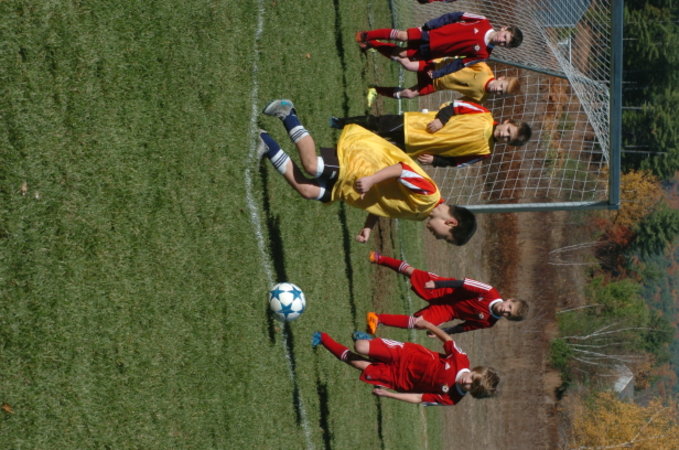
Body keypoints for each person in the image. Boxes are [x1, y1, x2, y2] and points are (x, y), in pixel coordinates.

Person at [258, 99, 477, 245]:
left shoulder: (421, 214)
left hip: (353, 187)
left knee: (307, 190)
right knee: (311, 166)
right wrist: (372, 179)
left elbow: (386, 203)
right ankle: (287, 113)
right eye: (445, 238)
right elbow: (403, 169)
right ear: (451, 223)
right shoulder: (429, 195)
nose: (438, 238)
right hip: (362, 166)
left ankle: (266, 143)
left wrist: (368, 226)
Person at [311, 317, 499, 406]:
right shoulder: (461, 360)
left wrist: (388, 394)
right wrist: (428, 324)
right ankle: (371, 342)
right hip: (405, 355)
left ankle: (323, 338)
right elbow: (448, 340)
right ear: (475, 370)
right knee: (360, 346)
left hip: (399, 380)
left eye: (470, 387)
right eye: (472, 378)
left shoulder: (452, 398)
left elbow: (418, 398)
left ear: (471, 393)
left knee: (358, 364)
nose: (466, 382)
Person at [331, 99, 531, 168]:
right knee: (377, 124)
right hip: (416, 125)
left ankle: (339, 152)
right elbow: (454, 106)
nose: (504, 135)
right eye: (508, 131)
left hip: (417, 146)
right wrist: (441, 119)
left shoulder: (484, 152)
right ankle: (340, 123)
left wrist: (435, 160)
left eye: (508, 139)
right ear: (507, 122)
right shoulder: (483, 114)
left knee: (377, 150)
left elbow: (456, 162)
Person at [365, 251, 529, 335]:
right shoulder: (489, 292)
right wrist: (437, 284)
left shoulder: (488, 322)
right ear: (510, 299)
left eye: (508, 314)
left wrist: (443, 332)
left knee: (420, 323)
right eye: (509, 307)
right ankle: (380, 258)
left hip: (448, 311)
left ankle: (377, 319)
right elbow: (462, 283)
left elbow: (464, 327)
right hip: (446, 290)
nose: (505, 310)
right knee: (412, 273)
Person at [355, 12, 523, 68]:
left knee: (401, 55)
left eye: (505, 44)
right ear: (504, 28)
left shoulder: (484, 54)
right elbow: (454, 16)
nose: (502, 41)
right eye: (505, 37)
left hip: (434, 50)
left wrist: (439, 72)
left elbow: (460, 64)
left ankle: (371, 44)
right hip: (433, 34)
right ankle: (366, 35)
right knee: (402, 36)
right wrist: (431, 25)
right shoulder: (482, 21)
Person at [370, 60, 520, 103]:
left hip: (436, 84)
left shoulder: (481, 97)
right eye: (501, 86)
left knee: (409, 94)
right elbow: (462, 59)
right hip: (436, 67)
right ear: (501, 78)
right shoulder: (484, 69)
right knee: (407, 63)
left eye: (501, 92)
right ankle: (374, 43)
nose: (498, 90)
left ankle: (375, 90)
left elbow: (459, 102)